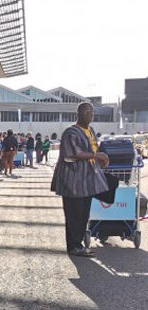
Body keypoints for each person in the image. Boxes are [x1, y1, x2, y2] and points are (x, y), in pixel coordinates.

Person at [50, 102, 110, 257]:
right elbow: (71, 153)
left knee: (83, 214)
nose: (91, 114)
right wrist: (97, 156)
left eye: (92, 111)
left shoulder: (90, 131)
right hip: (73, 182)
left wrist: (101, 160)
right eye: (87, 111)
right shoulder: (71, 132)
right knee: (74, 214)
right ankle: (74, 246)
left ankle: (79, 244)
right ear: (79, 113)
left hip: (87, 181)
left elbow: (93, 150)